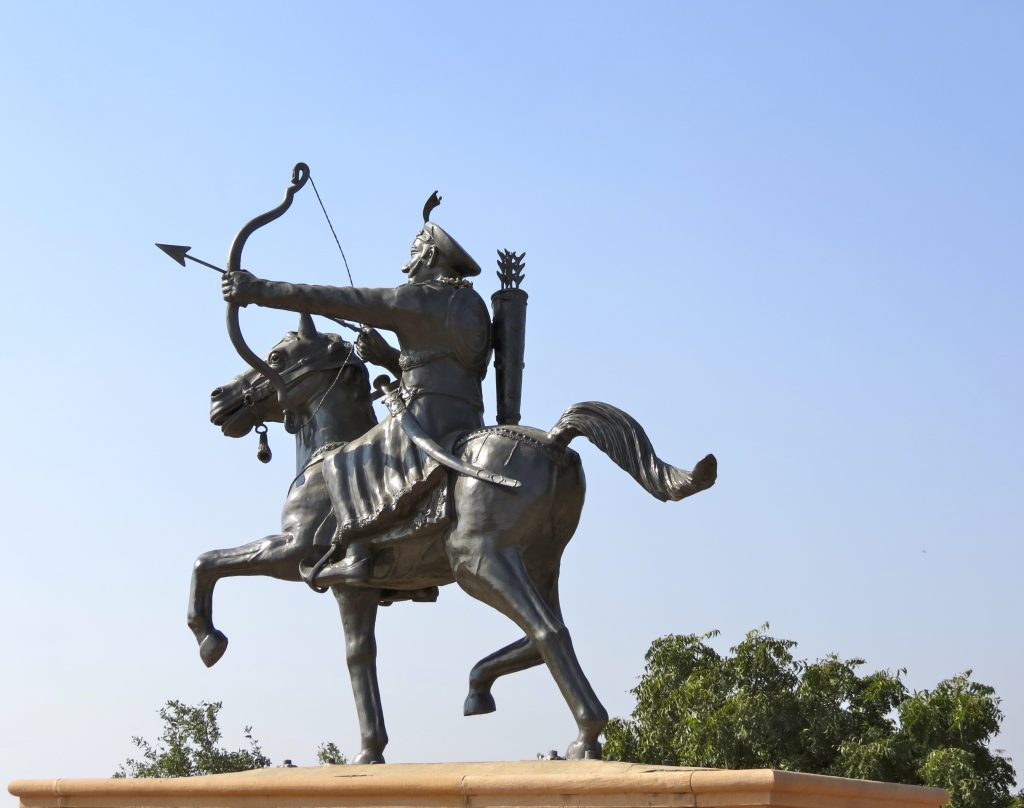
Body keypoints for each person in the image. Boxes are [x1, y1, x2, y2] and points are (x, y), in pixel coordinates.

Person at [221, 204, 491, 583]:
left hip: (424, 424)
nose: (407, 265)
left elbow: (339, 299)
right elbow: (449, 371)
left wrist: (259, 290)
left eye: (414, 253)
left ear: (430, 254)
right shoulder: (473, 306)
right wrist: (385, 357)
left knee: (345, 461)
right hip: (467, 421)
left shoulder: (420, 298)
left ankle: (357, 553)